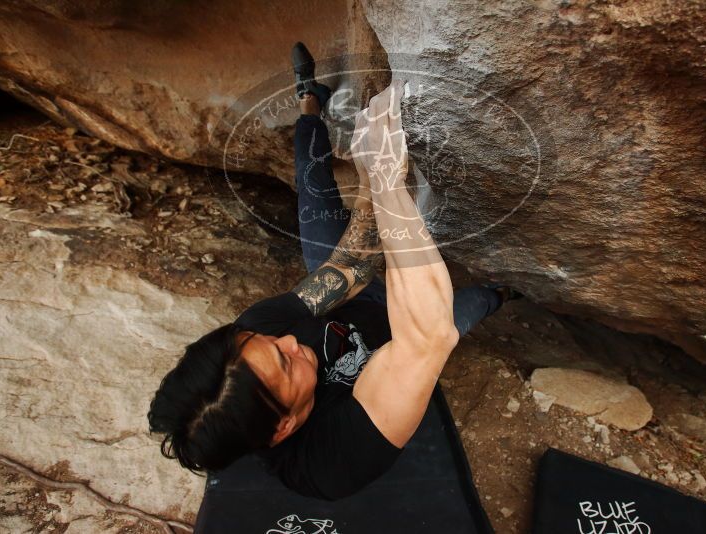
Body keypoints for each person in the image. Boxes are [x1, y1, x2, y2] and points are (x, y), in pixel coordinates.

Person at [148, 42, 521, 500]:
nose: (289, 339)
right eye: (286, 363)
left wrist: (370, 178)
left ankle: (309, 101)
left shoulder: (251, 340)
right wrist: (388, 182)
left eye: (265, 341)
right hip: (405, 335)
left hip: (360, 300)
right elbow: (427, 338)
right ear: (283, 426)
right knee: (467, 308)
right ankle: (506, 293)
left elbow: (351, 265)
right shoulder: (330, 461)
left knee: (314, 195)